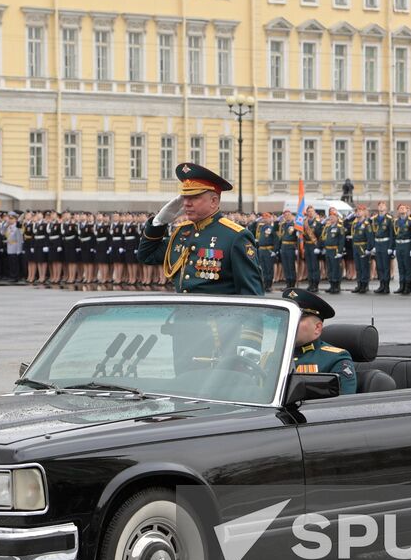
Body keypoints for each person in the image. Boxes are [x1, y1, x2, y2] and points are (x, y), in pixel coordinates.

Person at [137, 163, 264, 295]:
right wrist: (159, 222)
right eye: (185, 197)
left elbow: (251, 294)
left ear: (214, 201)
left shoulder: (235, 236)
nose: (186, 203)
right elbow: (146, 256)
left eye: (194, 197)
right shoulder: (183, 232)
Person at [284, 289, 358, 395]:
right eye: (287, 317)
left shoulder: (335, 360)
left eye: (297, 318)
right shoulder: (273, 355)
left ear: (317, 328)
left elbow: (343, 406)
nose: (289, 322)